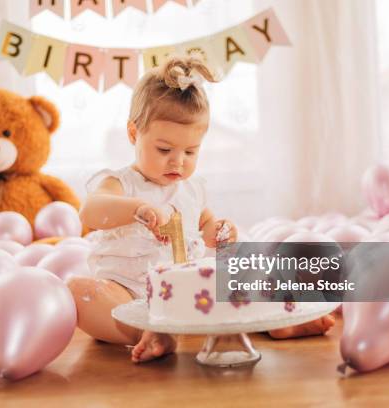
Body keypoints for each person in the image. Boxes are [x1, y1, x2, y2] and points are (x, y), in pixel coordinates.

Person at [69, 56, 334, 364]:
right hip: (130, 295)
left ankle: (277, 319)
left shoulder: (192, 190)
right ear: (133, 134)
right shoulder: (121, 184)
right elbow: (90, 211)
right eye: (164, 149)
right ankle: (152, 333)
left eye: (190, 151)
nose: (178, 162)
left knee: (246, 275)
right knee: (80, 293)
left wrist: (219, 230)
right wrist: (138, 208)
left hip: (189, 296)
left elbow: (207, 227)